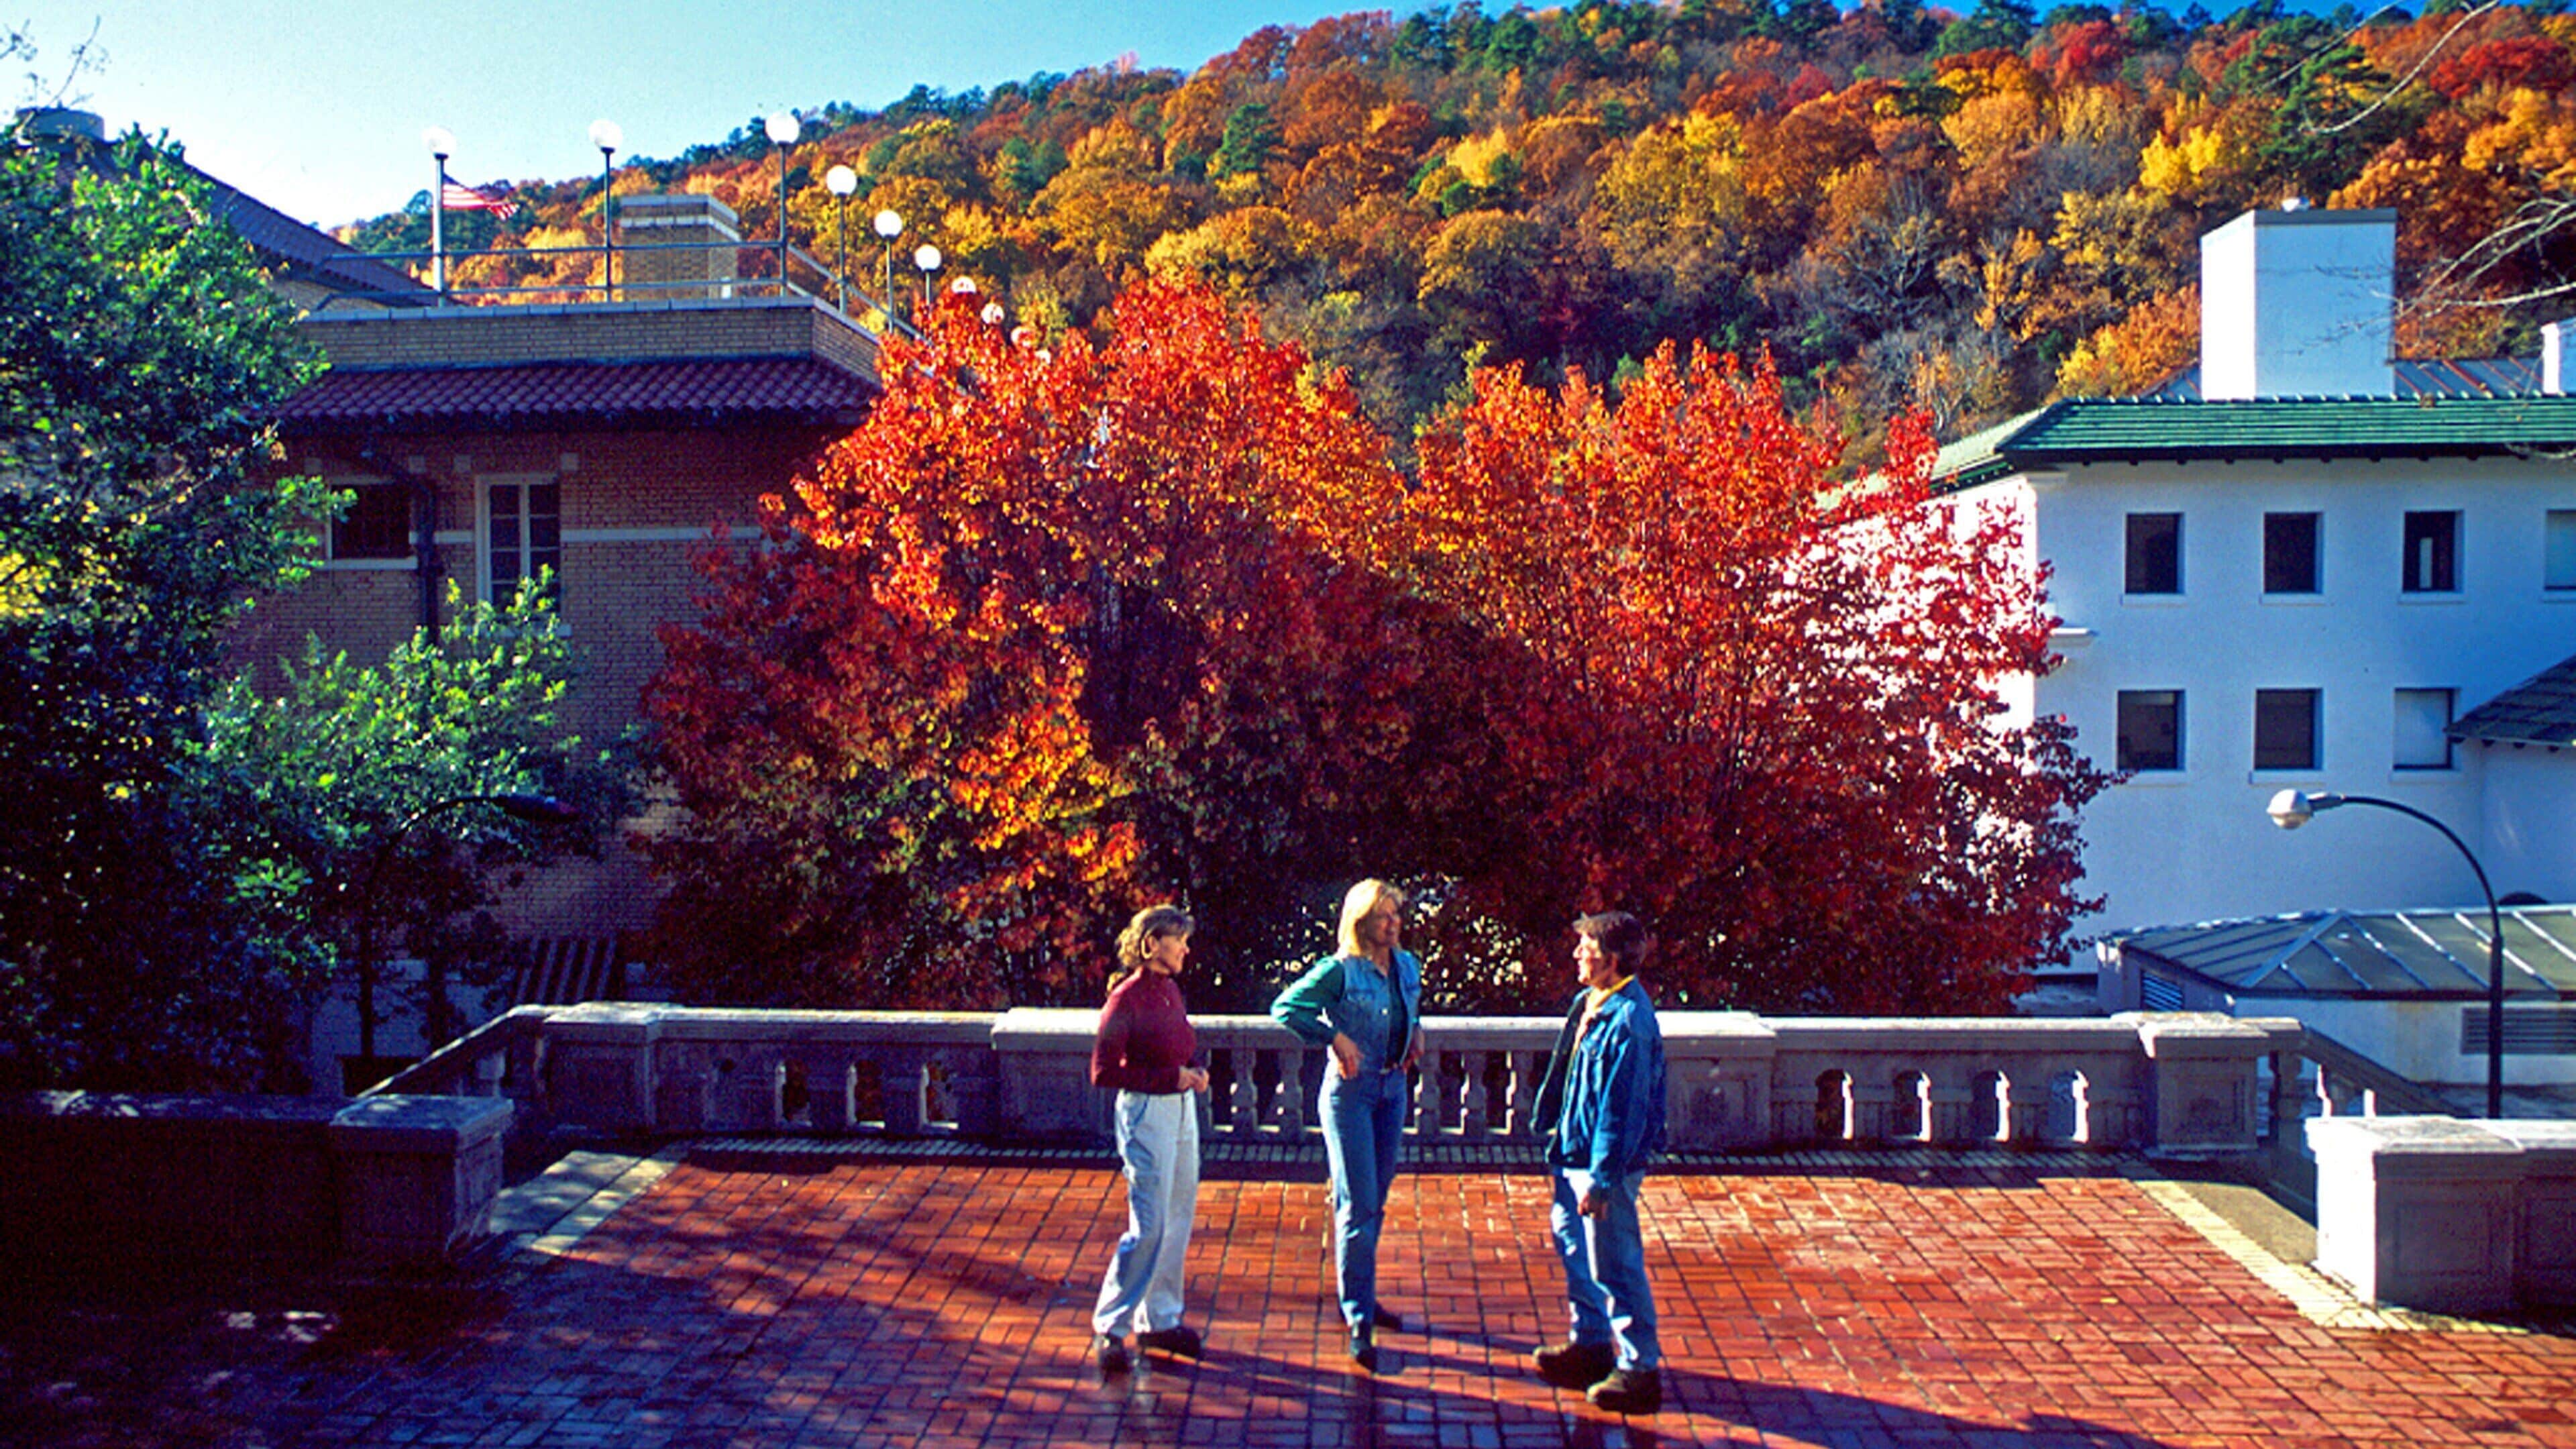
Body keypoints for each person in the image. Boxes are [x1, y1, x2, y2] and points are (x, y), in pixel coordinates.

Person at [1271, 878, 1422, 1371]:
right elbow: (1286, 1007)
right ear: (1361, 922)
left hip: (1392, 1091)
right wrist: (1333, 1036)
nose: (1394, 922)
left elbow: (1408, 1009)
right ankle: (1358, 1314)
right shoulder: (1340, 972)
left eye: (1397, 913)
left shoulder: (1406, 965)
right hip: (1350, 1098)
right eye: (1384, 915)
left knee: (1374, 1199)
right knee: (1357, 1204)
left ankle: (1362, 1291)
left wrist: (1415, 1031)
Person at [1528, 910, 1668, 1415]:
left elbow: (1622, 1109)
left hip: (1600, 1166)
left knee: (1615, 1263)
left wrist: (1605, 1180)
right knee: (1576, 1254)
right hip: (1572, 1155)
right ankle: (1589, 1345)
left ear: (1610, 961)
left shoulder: (1629, 1022)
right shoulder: (1590, 1002)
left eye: (1584, 950)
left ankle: (1638, 1369)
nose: (1575, 956)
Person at [1089, 904, 1212, 1375]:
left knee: (1178, 1215)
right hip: (1145, 1113)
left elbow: (1177, 1049)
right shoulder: (1127, 998)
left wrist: (1191, 1076)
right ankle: (1111, 1327)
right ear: (1151, 944)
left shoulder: (1170, 991)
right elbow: (1103, 1071)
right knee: (1150, 1224)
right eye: (1177, 939)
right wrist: (1169, 1078)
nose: (1185, 947)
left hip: (1180, 1111)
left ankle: (1160, 1318)